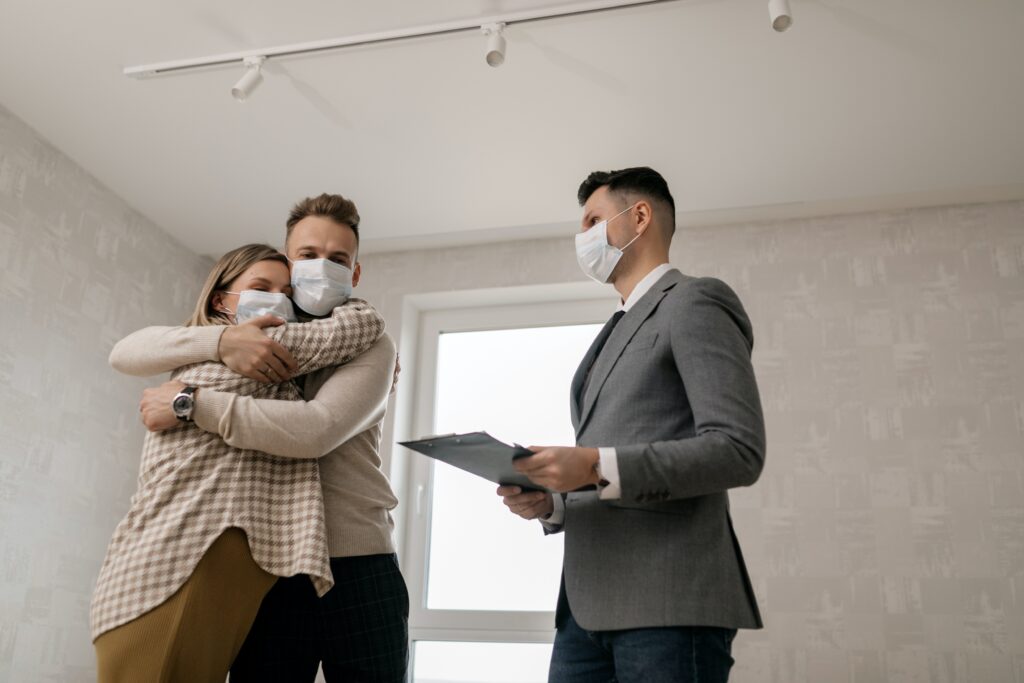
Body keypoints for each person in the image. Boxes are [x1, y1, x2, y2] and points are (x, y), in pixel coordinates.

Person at [113, 194, 409, 682]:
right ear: (288, 264)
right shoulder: (250, 332)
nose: (321, 268)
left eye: (338, 260)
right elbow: (128, 351)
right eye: (308, 255)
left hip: (360, 562)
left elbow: (317, 430)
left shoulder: (370, 341)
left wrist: (192, 403)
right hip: (270, 558)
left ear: (355, 274)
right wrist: (222, 340)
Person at [497, 167, 765, 683]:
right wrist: (552, 500)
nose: (583, 237)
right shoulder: (616, 327)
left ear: (638, 216)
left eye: (593, 220)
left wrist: (593, 464)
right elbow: (610, 462)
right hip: (583, 611)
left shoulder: (695, 301)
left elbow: (737, 449)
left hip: (667, 604)